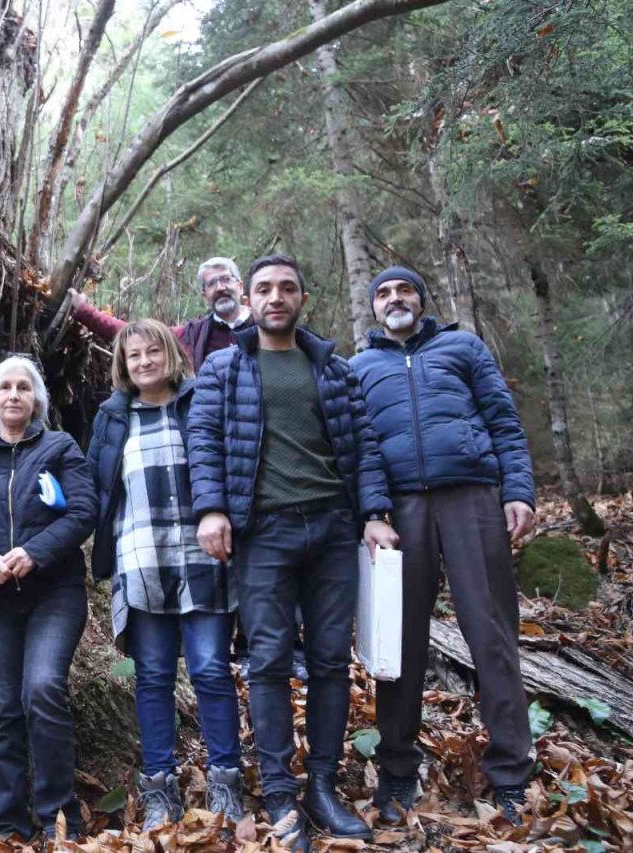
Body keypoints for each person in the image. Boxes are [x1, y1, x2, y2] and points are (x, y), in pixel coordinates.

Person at [187, 255, 398, 851]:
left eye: (287, 288)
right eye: (265, 289)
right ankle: (279, 793)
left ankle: (322, 789)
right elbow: (202, 440)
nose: (276, 297)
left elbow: (363, 448)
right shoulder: (226, 367)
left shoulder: (332, 368)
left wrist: (375, 515)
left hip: (333, 529)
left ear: (303, 297)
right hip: (264, 535)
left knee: (332, 661)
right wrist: (210, 509)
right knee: (270, 662)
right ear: (249, 301)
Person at [351, 266, 536, 825]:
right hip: (400, 513)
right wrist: (371, 513)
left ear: (421, 300)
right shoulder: (359, 368)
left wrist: (519, 491)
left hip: (472, 498)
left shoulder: (462, 347)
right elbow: (359, 449)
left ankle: (510, 775)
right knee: (397, 646)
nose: (394, 298)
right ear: (374, 309)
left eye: (404, 289)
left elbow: (504, 421)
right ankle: (399, 773)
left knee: (492, 635)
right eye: (383, 293)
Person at [85, 320, 242, 832]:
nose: (146, 362)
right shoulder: (112, 418)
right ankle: (159, 788)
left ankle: (225, 782)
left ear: (172, 354)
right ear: (123, 366)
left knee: (211, 671)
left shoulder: (201, 402)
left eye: (155, 352)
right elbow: (95, 489)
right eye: (135, 356)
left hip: (204, 559)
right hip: (141, 559)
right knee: (151, 678)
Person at [0, 356, 98, 841]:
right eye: (4, 387)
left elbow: (85, 511)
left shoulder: (60, 446)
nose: (13, 395)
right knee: (3, 708)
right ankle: (11, 820)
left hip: (54, 593)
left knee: (43, 689)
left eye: (23, 388)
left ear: (36, 400)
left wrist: (34, 552)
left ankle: (57, 815)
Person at [68, 257, 255, 370]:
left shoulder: (267, 324)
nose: (220, 287)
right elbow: (137, 334)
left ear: (240, 286)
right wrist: (85, 312)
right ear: (204, 295)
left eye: (226, 279)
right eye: (212, 283)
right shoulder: (192, 334)